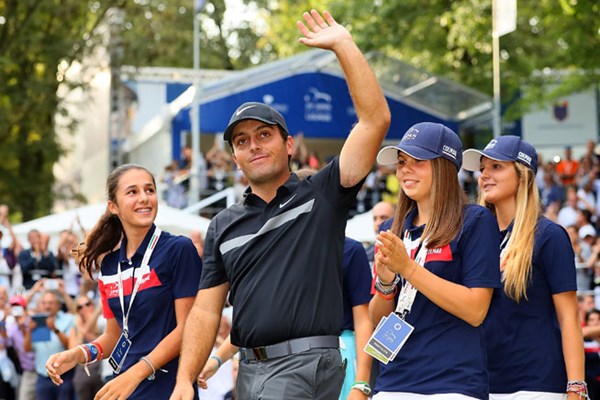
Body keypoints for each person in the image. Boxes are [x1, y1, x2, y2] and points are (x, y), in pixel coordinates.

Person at [170, 9, 391, 400]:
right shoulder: (223, 225)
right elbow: (206, 311)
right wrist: (185, 378)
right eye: (241, 141)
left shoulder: (322, 194)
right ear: (234, 157)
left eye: (263, 134)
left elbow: (374, 120)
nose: (253, 145)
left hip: (302, 367)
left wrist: (343, 45)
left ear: (288, 145)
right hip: (252, 370)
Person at [45, 164, 203, 399]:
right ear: (113, 206)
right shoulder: (109, 266)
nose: (144, 198)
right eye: (133, 192)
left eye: (149, 190)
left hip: (169, 387)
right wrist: (77, 354)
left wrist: (136, 373)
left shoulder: (178, 249)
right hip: (126, 384)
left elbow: (189, 328)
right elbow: (113, 337)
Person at [368, 122, 501, 399]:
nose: (405, 169)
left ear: (444, 167)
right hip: (393, 381)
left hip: (452, 383)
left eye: (418, 161)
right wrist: (386, 282)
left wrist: (408, 268)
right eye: (402, 162)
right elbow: (378, 319)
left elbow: (476, 311)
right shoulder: (391, 229)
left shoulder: (475, 221)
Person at [462, 135, 587, 399]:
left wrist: (576, 387)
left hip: (536, 385)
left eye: (496, 167)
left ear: (523, 175)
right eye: (483, 168)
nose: (484, 175)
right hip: (479, 383)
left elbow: (569, 318)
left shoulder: (549, 236)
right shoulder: (472, 236)